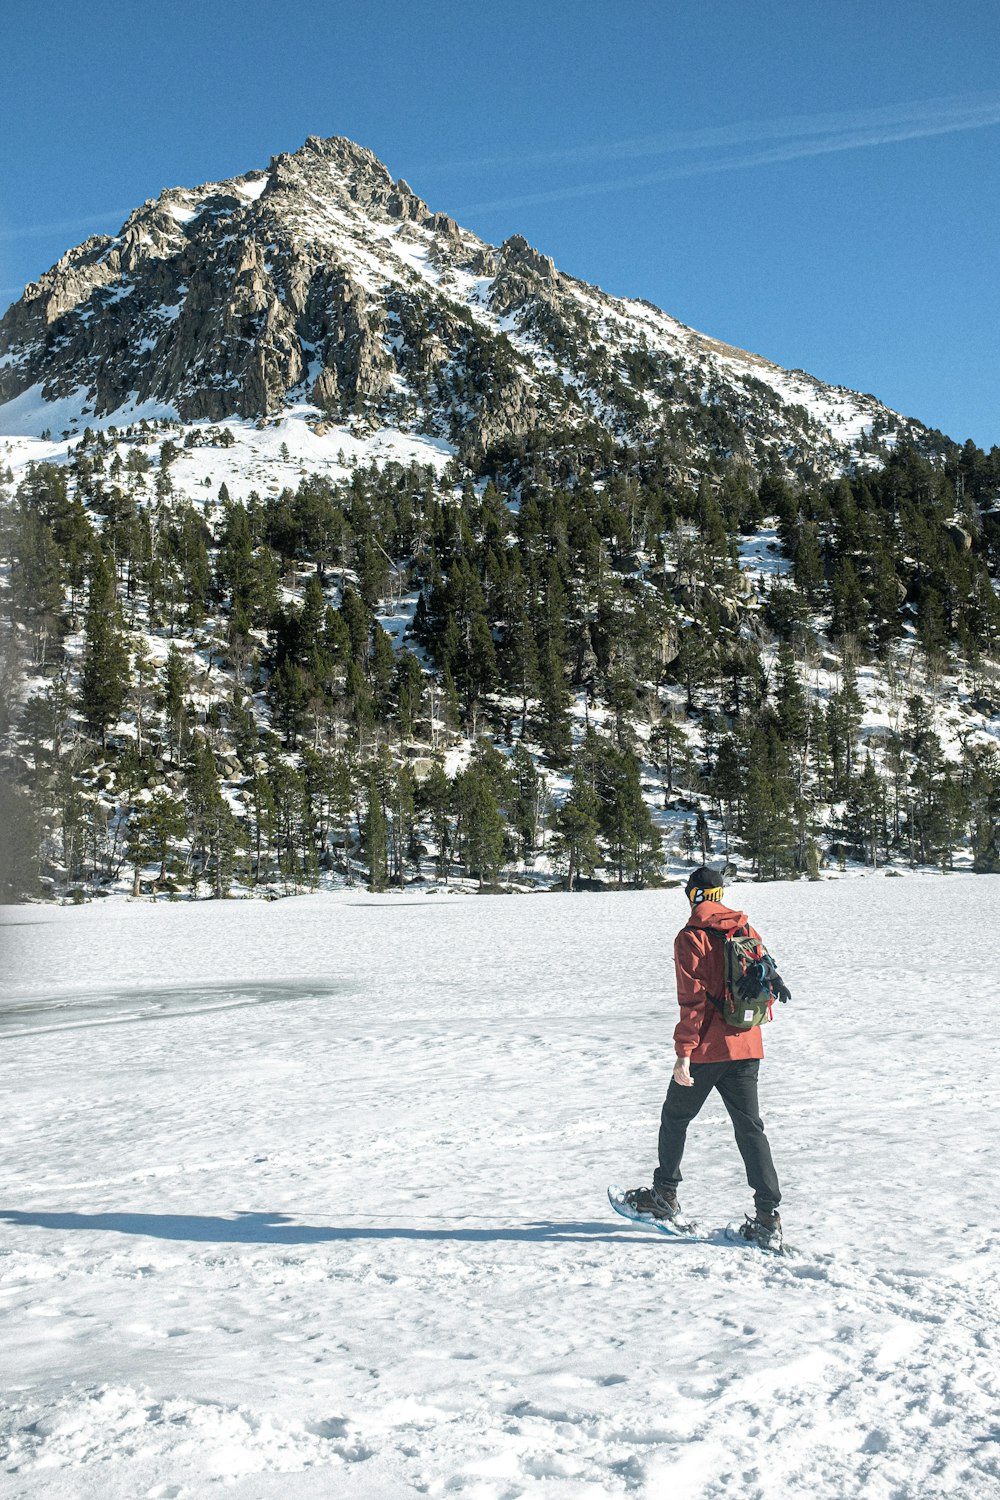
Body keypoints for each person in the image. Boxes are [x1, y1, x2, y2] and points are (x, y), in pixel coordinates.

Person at [623, 865, 789, 1249]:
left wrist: (683, 1053)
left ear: (693, 894)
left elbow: (692, 1000)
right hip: (747, 1046)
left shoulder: (691, 937)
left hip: (707, 1050)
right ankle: (768, 1219)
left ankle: (664, 1196)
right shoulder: (745, 928)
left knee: (675, 1117)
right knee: (751, 1130)